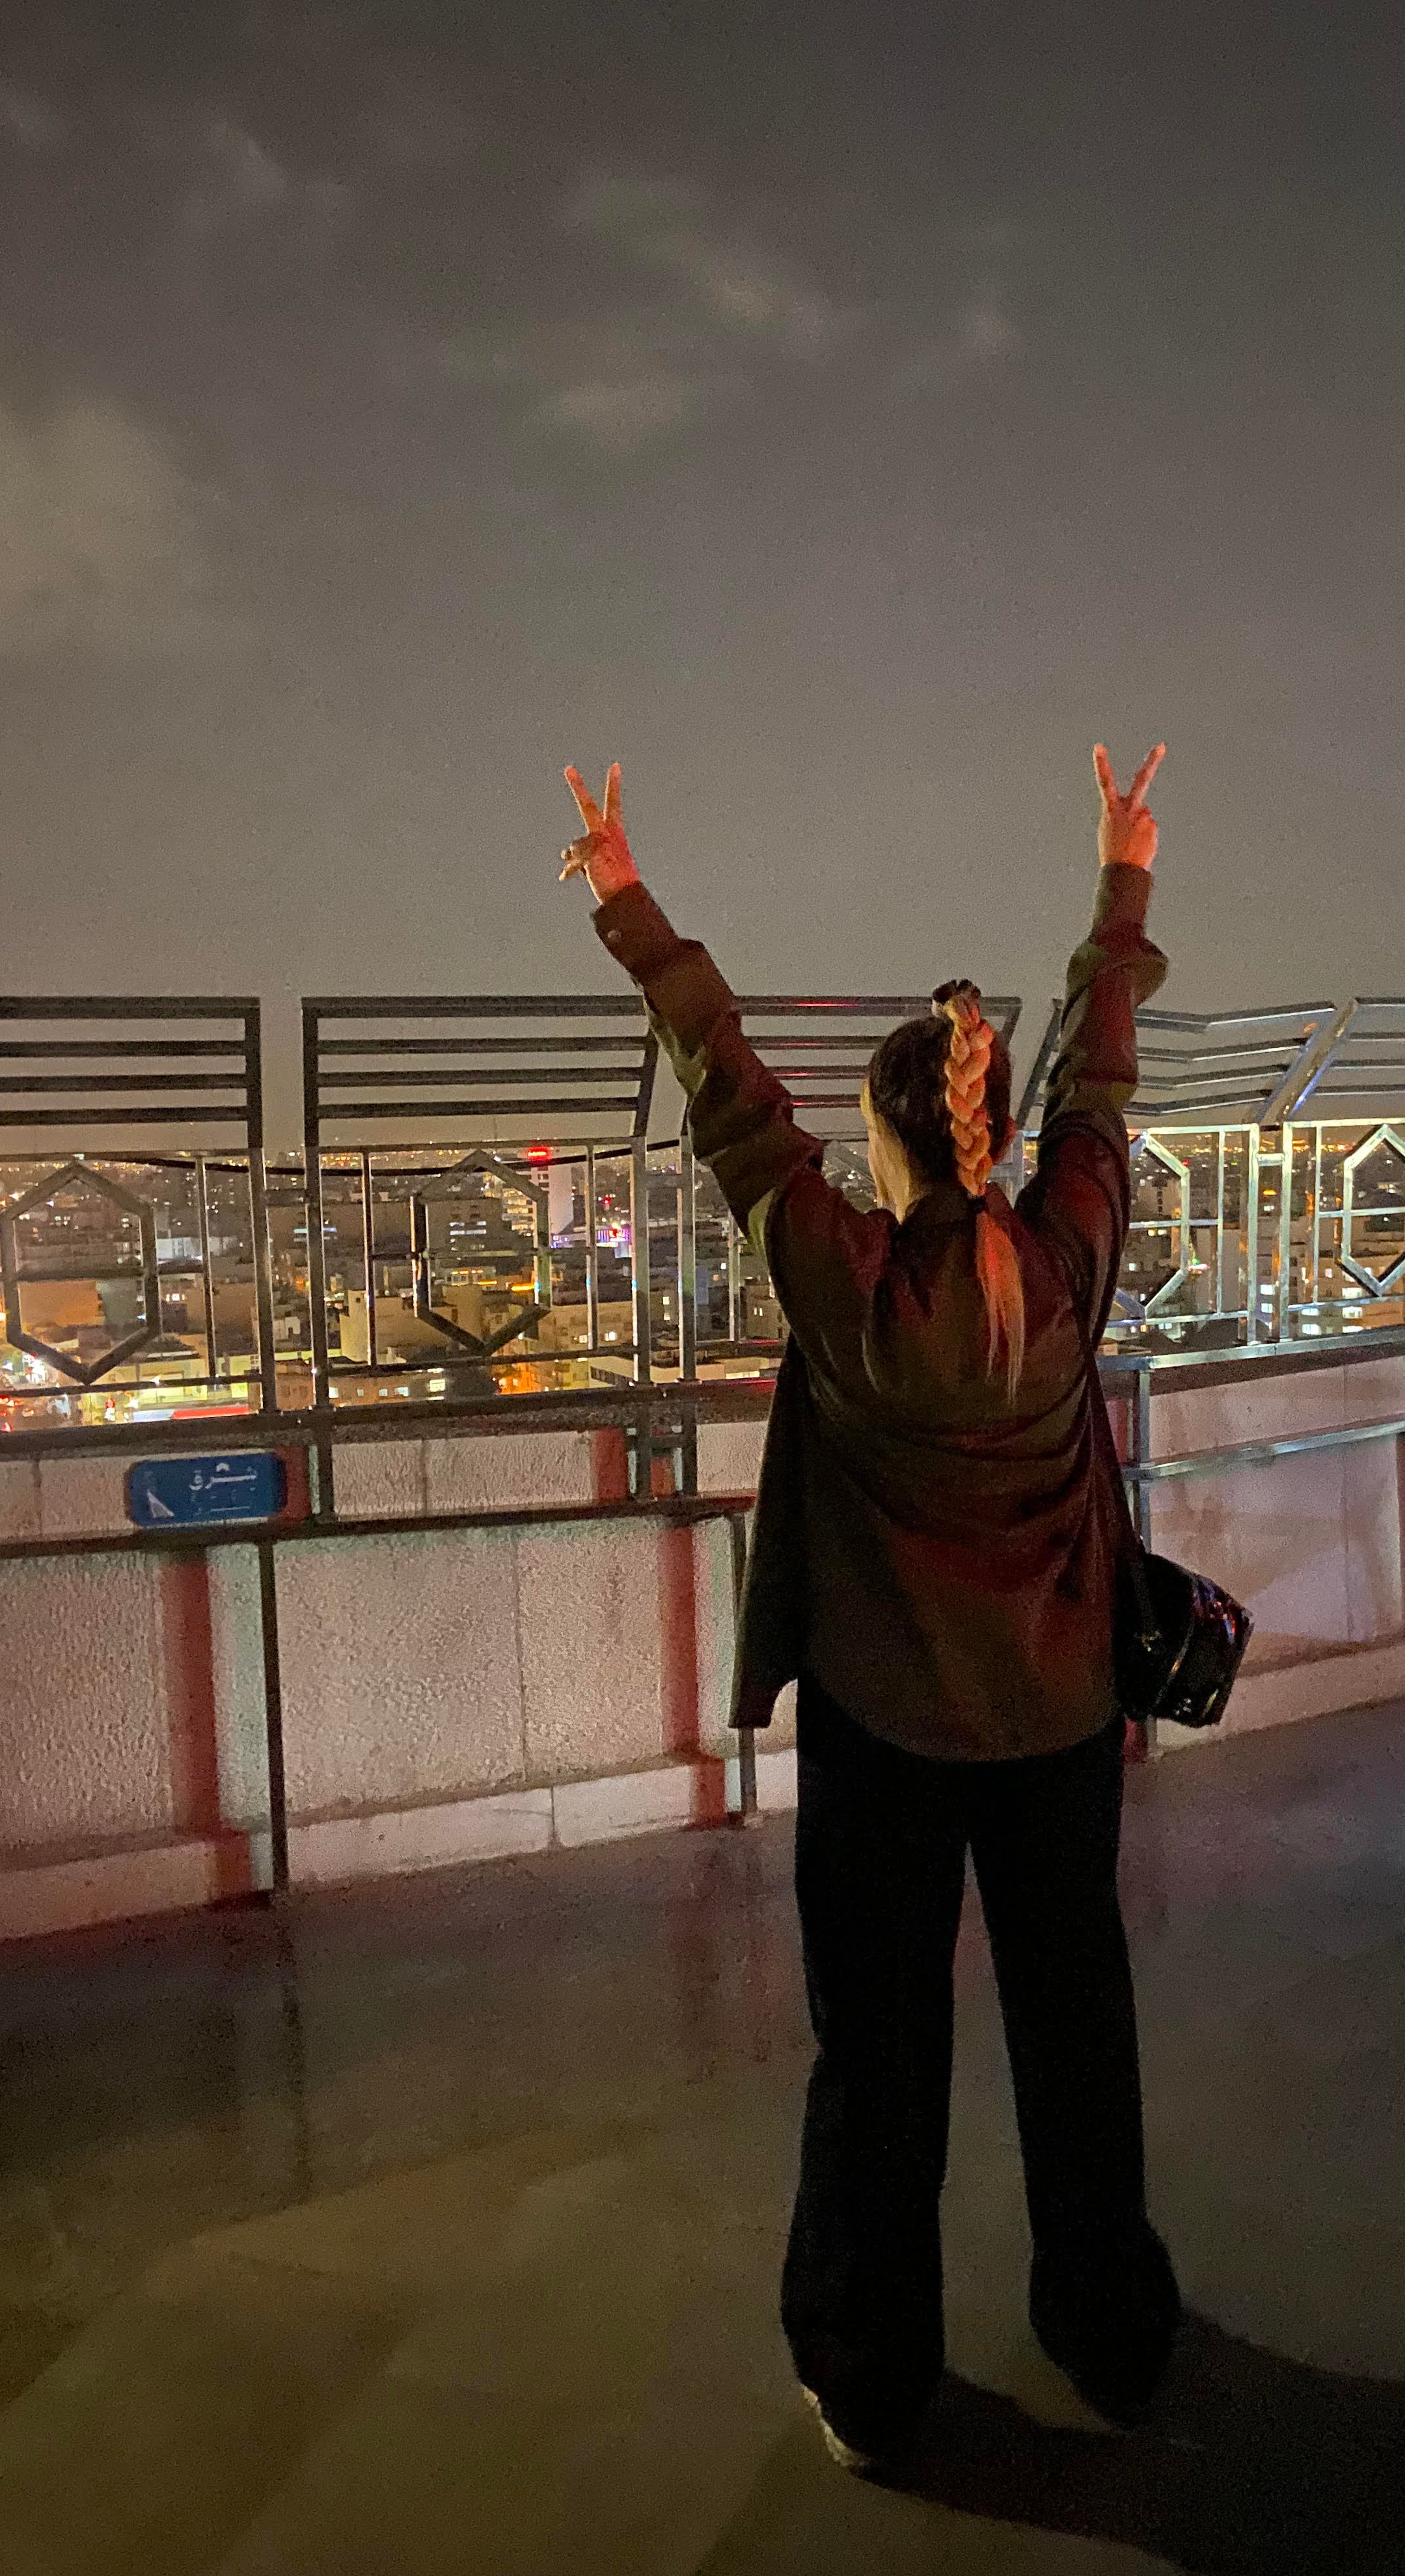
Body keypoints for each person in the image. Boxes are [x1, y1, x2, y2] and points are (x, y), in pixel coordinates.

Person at [560, 740, 1177, 2472]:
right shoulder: (1065, 1256)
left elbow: (727, 1082)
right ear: (987, 1137)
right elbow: (1105, 1088)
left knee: (878, 2056)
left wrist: (627, 899)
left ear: (887, 1144)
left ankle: (870, 2368)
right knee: (1079, 2027)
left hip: (889, 1735)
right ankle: (1112, 2325)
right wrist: (1123, 882)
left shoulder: (836, 1279)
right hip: (1059, 1721)